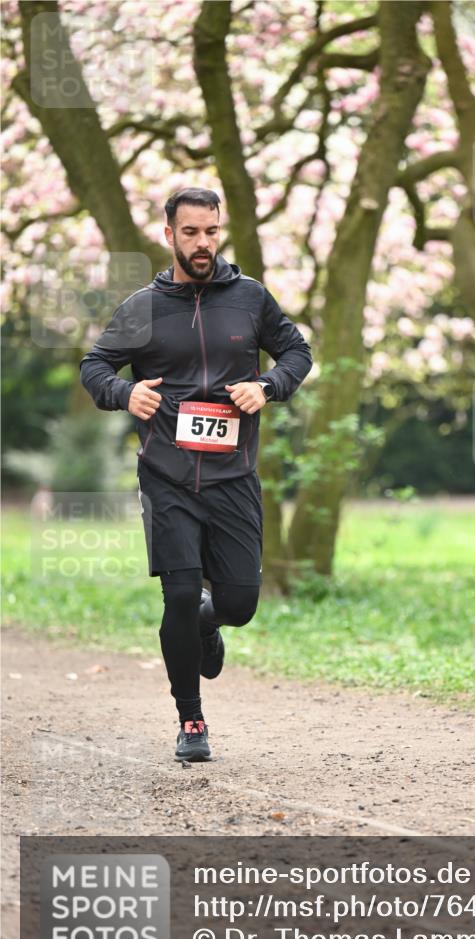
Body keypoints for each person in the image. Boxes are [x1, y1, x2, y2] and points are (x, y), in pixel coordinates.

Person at [80, 187, 313, 762]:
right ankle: (191, 718)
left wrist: (267, 386)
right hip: (168, 475)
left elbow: (297, 353)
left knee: (239, 603)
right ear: (170, 235)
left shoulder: (250, 298)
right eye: (191, 233)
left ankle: (208, 625)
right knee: (180, 594)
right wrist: (124, 393)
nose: (203, 243)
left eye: (211, 231)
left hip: (234, 476)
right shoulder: (144, 307)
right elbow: (95, 365)